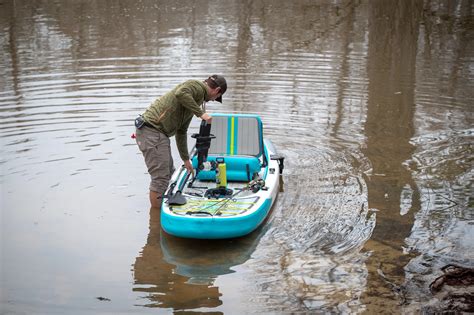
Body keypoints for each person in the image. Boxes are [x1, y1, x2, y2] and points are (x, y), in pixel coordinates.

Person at [135, 75, 227, 208]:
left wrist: (185, 160)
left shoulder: (193, 101)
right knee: (160, 179)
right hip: (151, 132)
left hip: (158, 135)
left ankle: (162, 212)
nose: (213, 100)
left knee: (170, 174)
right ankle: (157, 218)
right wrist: (200, 113)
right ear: (217, 90)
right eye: (216, 98)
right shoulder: (197, 87)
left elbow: (181, 132)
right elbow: (180, 93)